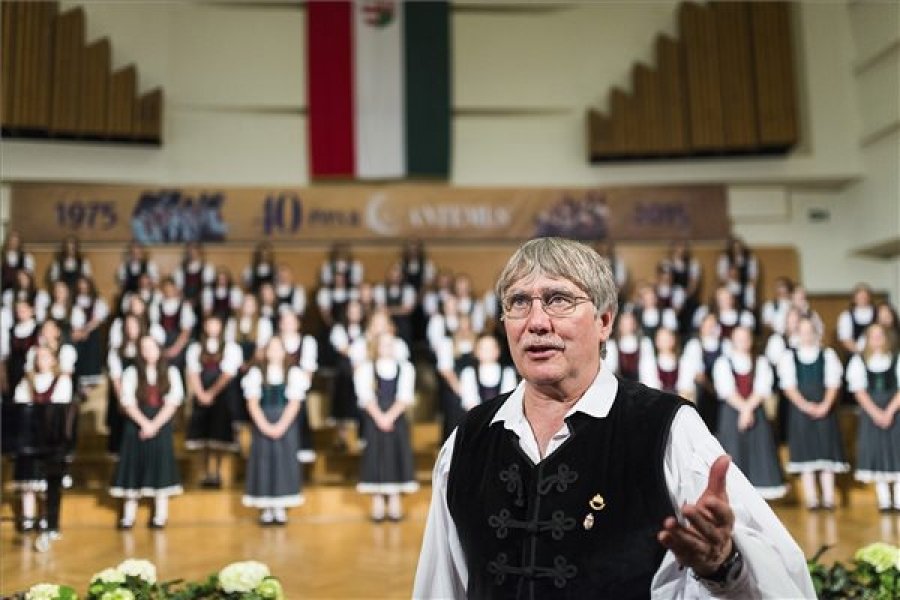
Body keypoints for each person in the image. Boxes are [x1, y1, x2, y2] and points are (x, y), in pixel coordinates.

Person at [414, 237, 813, 598]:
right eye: (518, 302)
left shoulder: (667, 428)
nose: (536, 322)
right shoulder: (467, 439)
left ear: (604, 322)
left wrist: (724, 566)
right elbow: (439, 588)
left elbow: (784, 580)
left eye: (558, 300)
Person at [110, 335, 184, 529]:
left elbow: (172, 403)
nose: (148, 351)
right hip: (136, 425)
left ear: (159, 349)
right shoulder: (132, 373)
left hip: (161, 424)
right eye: (144, 348)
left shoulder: (171, 372)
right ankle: (128, 515)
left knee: (161, 467)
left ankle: (160, 514)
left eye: (152, 347)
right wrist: (144, 424)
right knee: (133, 466)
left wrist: (154, 425)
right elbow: (127, 402)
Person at [777, 317, 848, 510]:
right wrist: (805, 405)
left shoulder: (827, 355)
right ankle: (812, 499)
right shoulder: (789, 357)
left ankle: (828, 497)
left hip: (826, 408)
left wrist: (825, 405)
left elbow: (834, 383)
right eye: (803, 331)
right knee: (805, 454)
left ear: (816, 332)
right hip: (801, 410)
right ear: (797, 333)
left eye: (810, 330)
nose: (807, 335)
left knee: (826, 453)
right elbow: (788, 386)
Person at [712, 326, 786, 500]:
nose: (743, 342)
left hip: (755, 412)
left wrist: (748, 409)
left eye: (746, 338)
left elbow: (761, 389)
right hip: (732, 413)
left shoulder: (760, 361)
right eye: (739, 338)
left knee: (758, 451)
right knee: (734, 450)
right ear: (732, 341)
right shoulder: (723, 363)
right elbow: (726, 390)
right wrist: (743, 409)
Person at [242, 336, 308, 525]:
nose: (275, 352)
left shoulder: (293, 373)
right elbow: (252, 403)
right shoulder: (256, 373)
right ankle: (265, 508)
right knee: (263, 462)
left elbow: (294, 403)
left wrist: (280, 426)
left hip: (285, 424)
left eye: (279, 348)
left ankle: (280, 508)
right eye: (271, 348)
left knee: (283, 463)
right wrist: (265, 426)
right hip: (263, 422)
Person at [355, 331, 417, 522]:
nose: (387, 348)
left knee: (396, 455)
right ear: (376, 347)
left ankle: (394, 499)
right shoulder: (366, 368)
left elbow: (404, 397)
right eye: (383, 344)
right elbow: (366, 397)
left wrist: (389, 417)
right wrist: (380, 418)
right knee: (376, 456)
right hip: (375, 419)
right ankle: (378, 500)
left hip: (396, 418)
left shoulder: (405, 368)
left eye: (391, 344)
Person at [12, 346, 73, 538]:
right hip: (29, 438)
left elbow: (60, 408)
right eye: (38, 357)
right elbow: (20, 405)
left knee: (49, 482)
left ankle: (48, 519)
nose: (42, 361)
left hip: (51, 439)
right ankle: (28, 519)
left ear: (54, 360)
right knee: (28, 481)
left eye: (46, 357)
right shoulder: (26, 381)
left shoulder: (62, 381)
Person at [846, 323, 900, 512]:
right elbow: (859, 391)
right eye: (873, 336)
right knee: (877, 453)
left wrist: (890, 411)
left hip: (895, 412)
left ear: (886, 338)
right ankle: (884, 499)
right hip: (872, 413)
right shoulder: (859, 361)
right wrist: (876, 413)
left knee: (896, 452)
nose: (877, 339)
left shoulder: (896, 358)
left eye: (880, 335)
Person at [185, 315, 242, 487]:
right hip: (201, 392)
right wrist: (201, 393)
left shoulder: (230, 348)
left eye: (216, 324)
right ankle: (204, 473)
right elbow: (193, 372)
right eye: (209, 324)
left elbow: (227, 374)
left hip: (221, 395)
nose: (212, 327)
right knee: (203, 438)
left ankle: (217, 472)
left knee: (218, 435)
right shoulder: (196, 347)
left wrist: (211, 393)